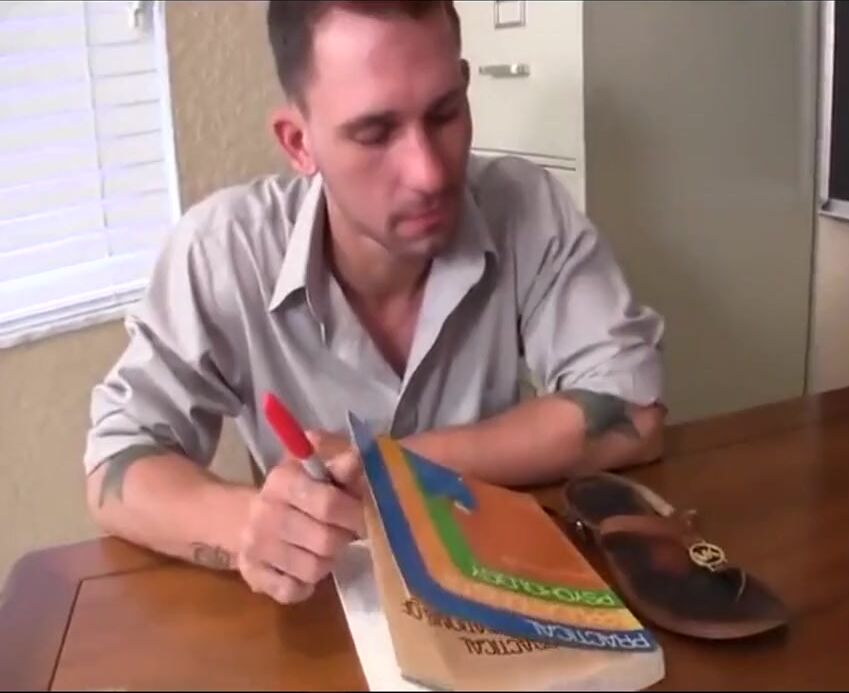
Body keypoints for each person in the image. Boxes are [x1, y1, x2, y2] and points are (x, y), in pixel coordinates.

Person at [82, 0, 666, 606]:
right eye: (375, 133)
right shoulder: (224, 250)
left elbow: (634, 408)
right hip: (322, 618)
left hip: (496, 584)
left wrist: (389, 469)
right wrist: (247, 526)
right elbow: (116, 460)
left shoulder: (525, 206)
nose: (429, 173)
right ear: (298, 143)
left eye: (445, 113)